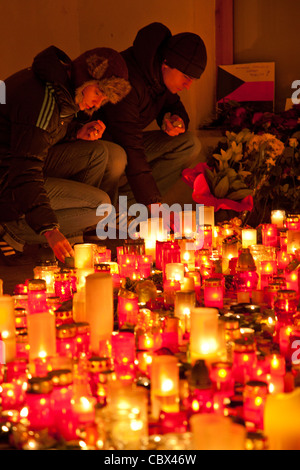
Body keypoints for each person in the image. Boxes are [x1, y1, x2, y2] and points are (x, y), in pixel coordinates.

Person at [0, 45, 131, 265]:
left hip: (17, 166)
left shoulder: (57, 88)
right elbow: (24, 169)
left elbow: (37, 136)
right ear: (83, 77)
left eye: (105, 99)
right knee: (101, 207)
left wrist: (75, 132)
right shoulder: (41, 100)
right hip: (8, 180)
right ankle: (11, 230)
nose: (98, 103)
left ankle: (71, 234)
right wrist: (49, 229)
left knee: (97, 153)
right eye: (98, 92)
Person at [97, 22, 207, 218]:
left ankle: (122, 207)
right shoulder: (127, 81)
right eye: (186, 77)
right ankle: (104, 211)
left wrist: (174, 118)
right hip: (101, 147)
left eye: (193, 80)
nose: (188, 85)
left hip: (126, 143)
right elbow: (130, 145)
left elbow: (173, 104)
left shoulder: (159, 76)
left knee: (188, 143)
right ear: (166, 63)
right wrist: (153, 202)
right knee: (118, 156)